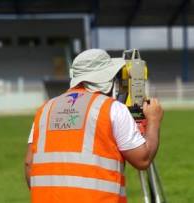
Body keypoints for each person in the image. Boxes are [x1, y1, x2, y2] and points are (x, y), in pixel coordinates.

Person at [24, 49, 164, 203]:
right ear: (107, 79)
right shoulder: (112, 109)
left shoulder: (45, 110)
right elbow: (142, 160)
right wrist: (154, 120)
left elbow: (29, 164)